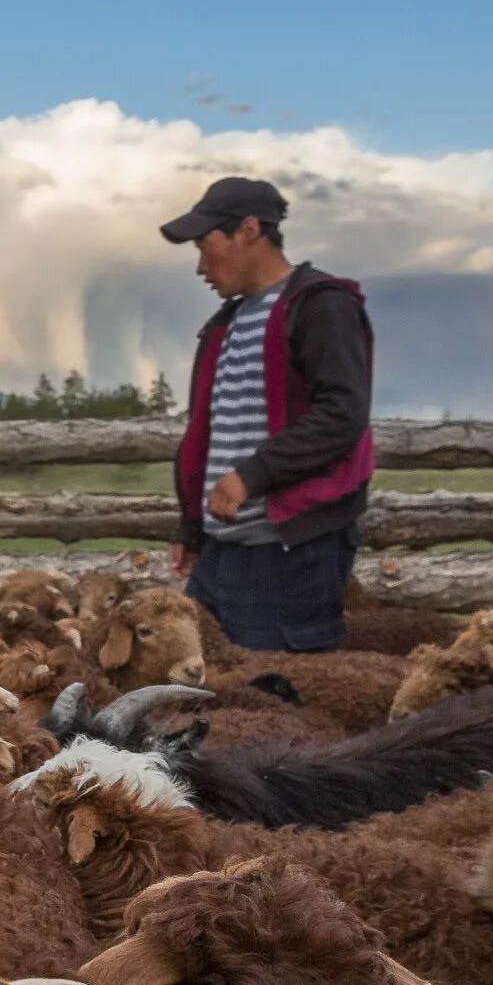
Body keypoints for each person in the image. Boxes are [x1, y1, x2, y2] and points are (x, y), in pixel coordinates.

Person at [160, 175, 376, 651]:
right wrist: (192, 526)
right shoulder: (227, 324)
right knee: (203, 687)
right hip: (223, 552)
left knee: (274, 697)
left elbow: (342, 413)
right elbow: (212, 431)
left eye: (205, 245)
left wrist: (251, 476)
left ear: (250, 231)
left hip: (290, 552)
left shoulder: (321, 306)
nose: (200, 266)